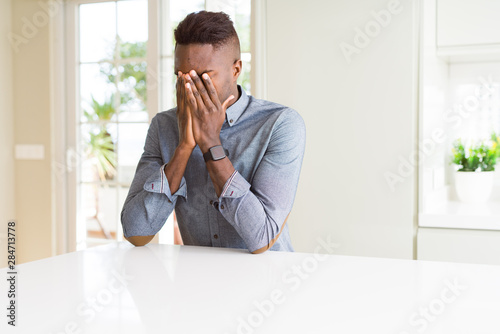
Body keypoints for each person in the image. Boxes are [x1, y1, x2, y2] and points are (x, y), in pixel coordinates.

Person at [120, 10, 306, 254]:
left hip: (268, 283)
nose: (190, 86)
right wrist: (184, 148)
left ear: (236, 69)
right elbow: (136, 233)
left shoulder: (280, 124)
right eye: (182, 76)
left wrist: (210, 143)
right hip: (199, 282)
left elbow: (262, 238)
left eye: (204, 76)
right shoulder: (163, 126)